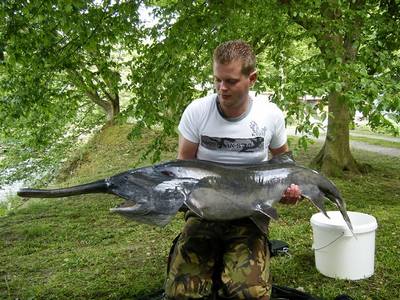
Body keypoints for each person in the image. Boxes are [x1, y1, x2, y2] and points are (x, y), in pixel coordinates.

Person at [164, 40, 301, 300]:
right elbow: (183, 170)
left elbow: (286, 166)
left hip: (249, 216)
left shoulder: (270, 115)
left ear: (252, 78)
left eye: (230, 81)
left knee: (250, 296)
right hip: (204, 214)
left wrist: (291, 191)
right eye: (217, 80)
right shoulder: (196, 112)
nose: (221, 88)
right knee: (180, 294)